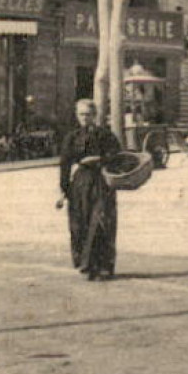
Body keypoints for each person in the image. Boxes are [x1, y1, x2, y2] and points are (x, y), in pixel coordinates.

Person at [57, 99, 122, 281]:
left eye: (88, 114)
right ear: (76, 115)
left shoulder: (105, 135)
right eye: (81, 114)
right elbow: (65, 163)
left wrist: (100, 159)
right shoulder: (72, 137)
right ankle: (86, 264)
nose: (84, 118)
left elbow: (117, 155)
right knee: (80, 224)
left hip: (101, 182)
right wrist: (64, 188)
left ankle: (103, 266)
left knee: (101, 223)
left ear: (95, 116)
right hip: (80, 184)